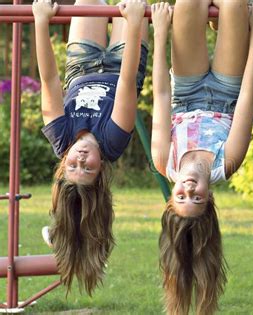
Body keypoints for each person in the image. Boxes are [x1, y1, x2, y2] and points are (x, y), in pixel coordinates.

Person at [150, 1, 253, 313]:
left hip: (186, 91)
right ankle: (230, 22)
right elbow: (247, 94)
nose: (188, 188)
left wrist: (160, 33)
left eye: (181, 196)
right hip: (228, 90)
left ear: (171, 195)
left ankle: (218, 20)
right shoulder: (227, 162)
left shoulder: (165, 160)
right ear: (210, 200)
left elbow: (161, 95)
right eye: (197, 199)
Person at [32, 0, 148, 294]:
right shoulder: (112, 142)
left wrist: (41, 21)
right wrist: (135, 22)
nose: (80, 159)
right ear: (101, 171)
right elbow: (124, 82)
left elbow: (49, 79)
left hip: (81, 65)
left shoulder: (61, 136)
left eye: (73, 166)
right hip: (124, 62)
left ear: (63, 165)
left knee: (87, 3)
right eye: (88, 168)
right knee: (133, 4)